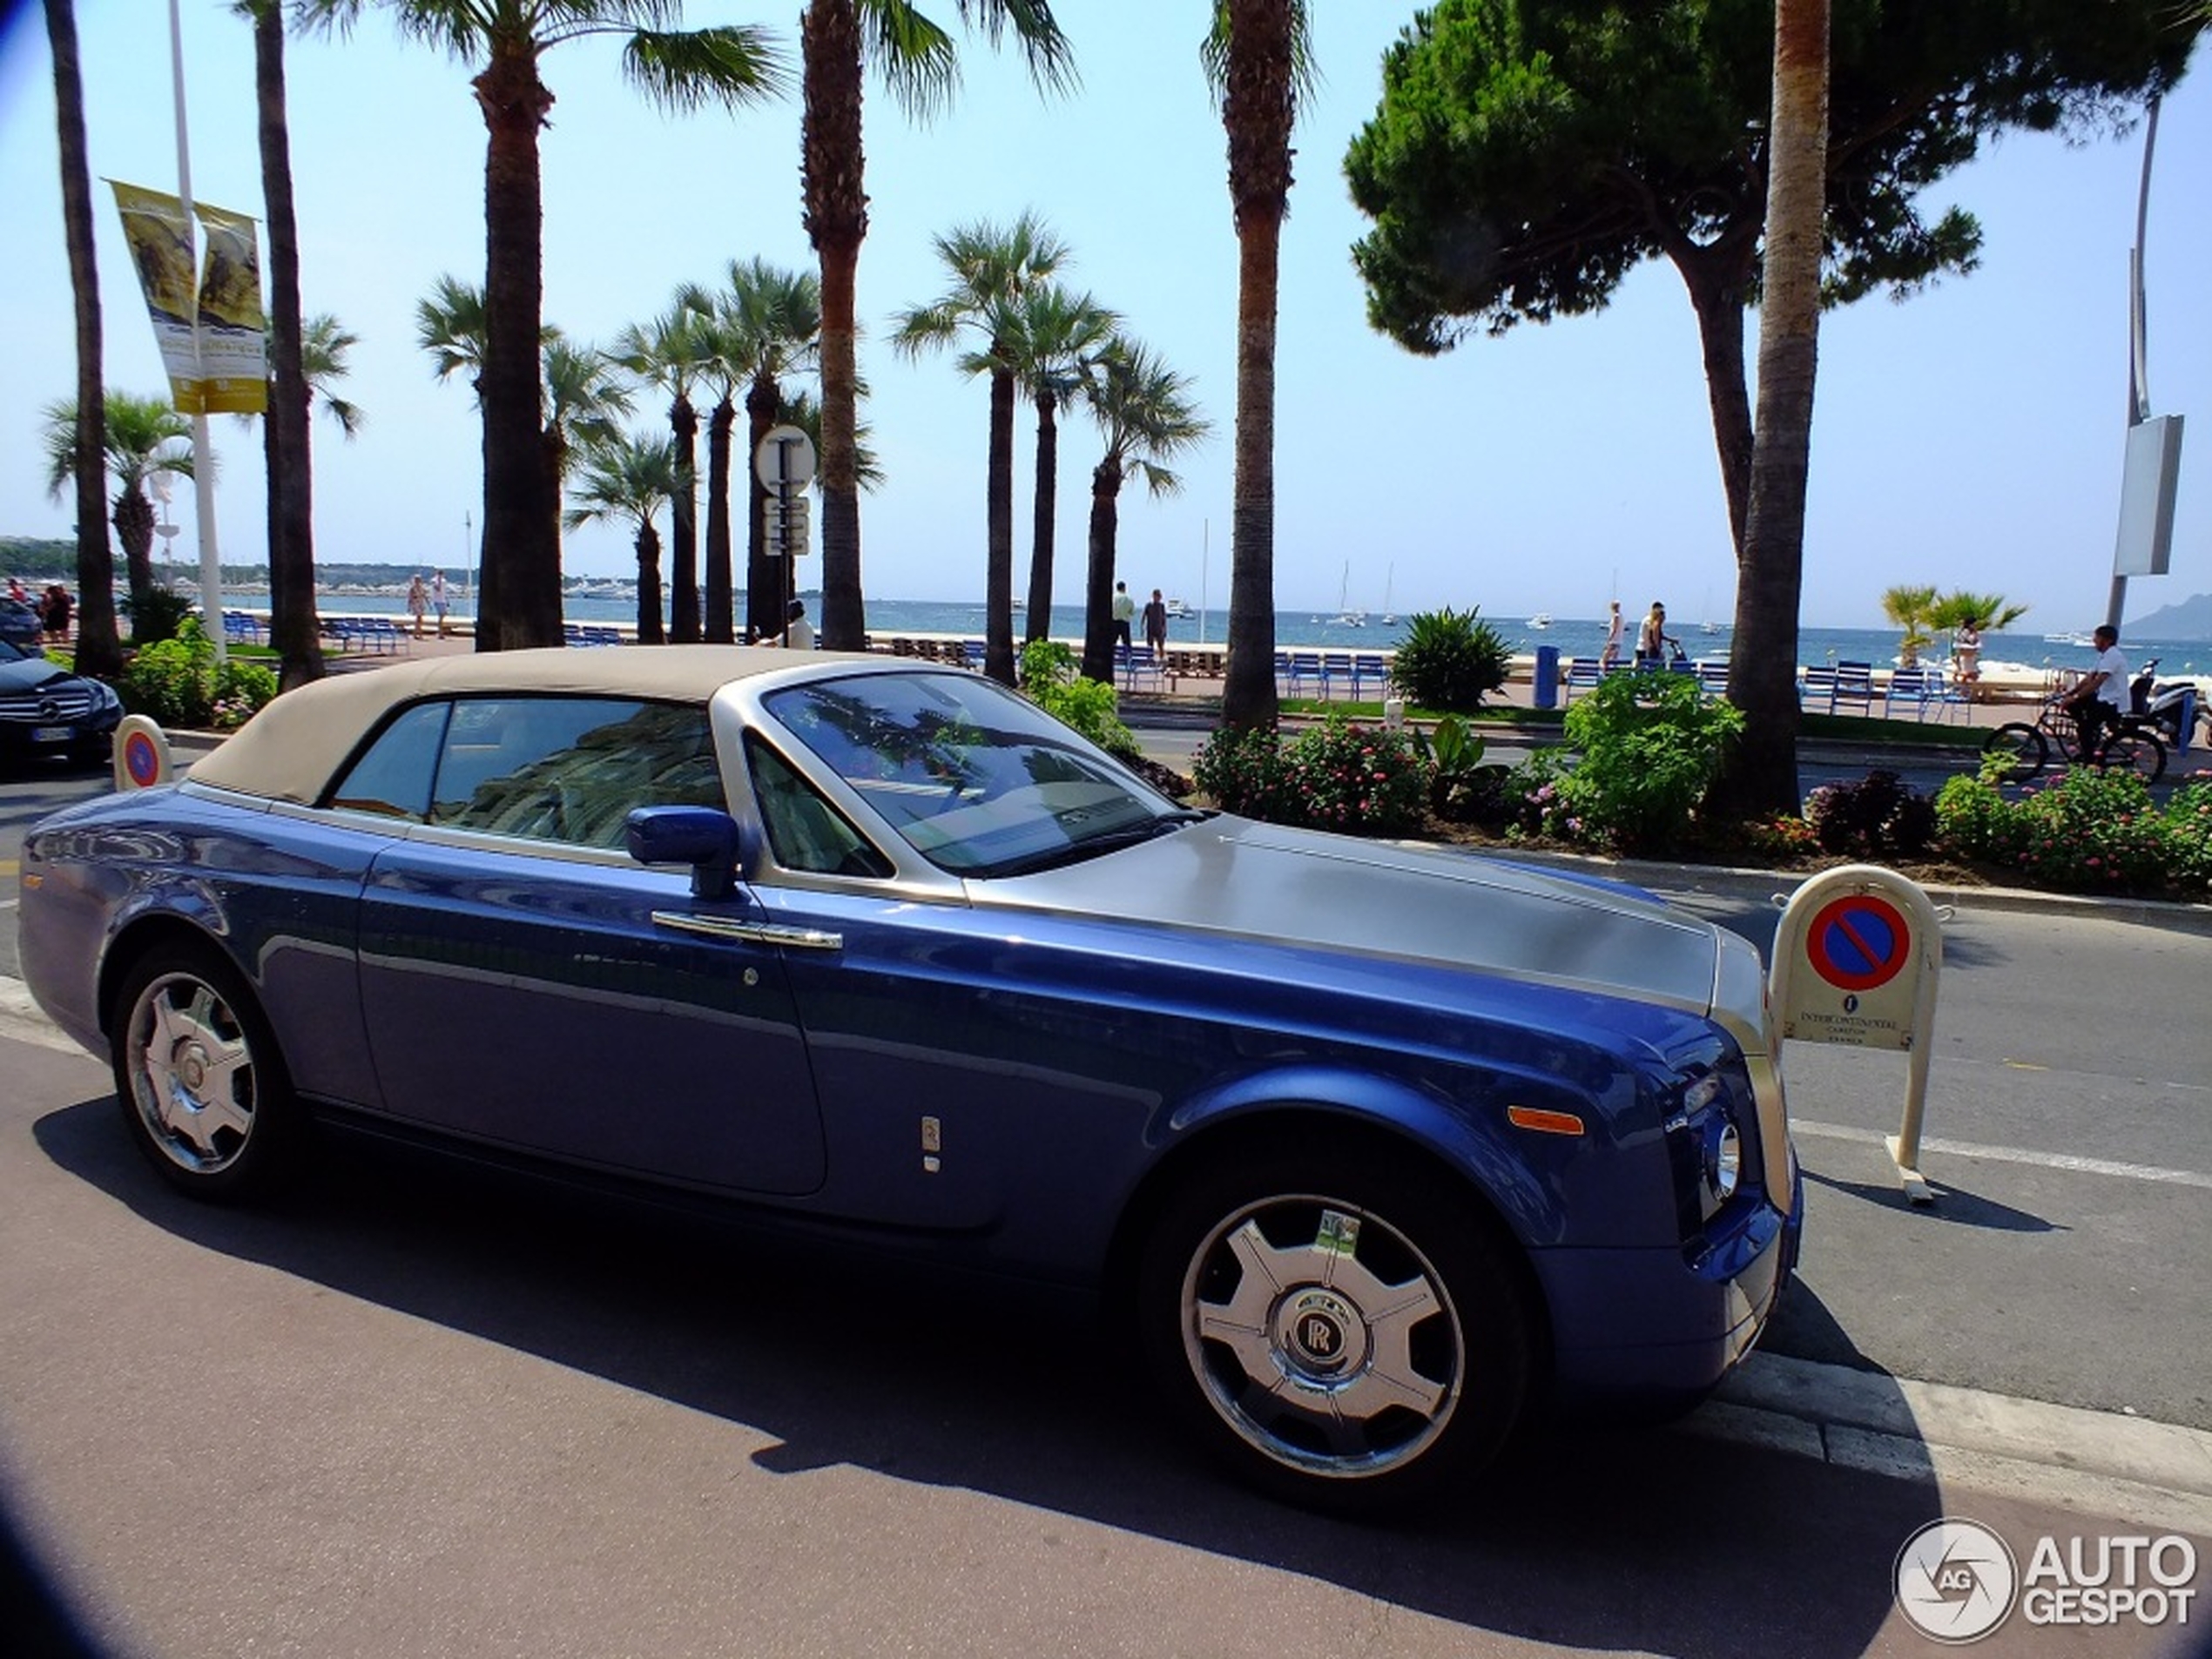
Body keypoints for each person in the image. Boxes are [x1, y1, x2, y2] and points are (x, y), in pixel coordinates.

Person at [2057, 624, 2128, 761]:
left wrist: (2075, 696)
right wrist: (2071, 693)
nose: (2094, 641)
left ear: (2107, 640)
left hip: (2112, 702)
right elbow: (2089, 678)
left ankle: (2089, 763)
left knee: (2084, 730)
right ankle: (2091, 736)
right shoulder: (2104, 656)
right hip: (2103, 698)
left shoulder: (2113, 656)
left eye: (2097, 638)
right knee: (2074, 706)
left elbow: (2098, 682)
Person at [1635, 601, 1677, 669]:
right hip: (1646, 648)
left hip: (1645, 647)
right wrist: (1659, 650)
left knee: (1643, 668)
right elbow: (1655, 637)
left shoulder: (1652, 621)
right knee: (1652, 668)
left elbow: (1659, 635)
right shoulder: (1651, 621)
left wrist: (1671, 639)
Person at [1953, 615, 1983, 697]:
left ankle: (1964, 689)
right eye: (1975, 623)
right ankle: (1963, 690)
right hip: (1966, 655)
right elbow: (1971, 641)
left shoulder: (1971, 632)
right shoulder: (1965, 632)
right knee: (1967, 673)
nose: (1976, 625)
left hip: (1970, 656)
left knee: (1973, 674)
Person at [1142, 588, 1169, 654]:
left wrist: (1165, 630)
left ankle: (1161, 660)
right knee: (1150, 647)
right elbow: (1143, 617)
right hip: (1150, 629)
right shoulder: (1149, 605)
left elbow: (1164, 619)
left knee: (1161, 647)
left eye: (1159, 596)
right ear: (1153, 596)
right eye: (1156, 596)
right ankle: (1149, 661)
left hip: (1159, 629)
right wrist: (1142, 627)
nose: (1157, 598)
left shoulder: (1161, 606)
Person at [1110, 581, 1136, 654]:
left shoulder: (1112, 598)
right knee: (1127, 643)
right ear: (1124, 588)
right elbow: (1132, 612)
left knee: (1112, 642)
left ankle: (1111, 658)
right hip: (1124, 622)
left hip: (1114, 622)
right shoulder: (1128, 598)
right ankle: (1128, 659)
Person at [1600, 599, 1624, 669]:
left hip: (1614, 641)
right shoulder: (1621, 616)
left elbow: (1614, 629)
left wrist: (1609, 640)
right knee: (1614, 660)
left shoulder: (1616, 616)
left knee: (1603, 660)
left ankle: (1603, 675)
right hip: (1619, 641)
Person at [405, 573, 428, 638]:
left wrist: (428, 603)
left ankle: (417, 633)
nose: (418, 581)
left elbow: (425, 596)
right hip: (416, 604)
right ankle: (418, 634)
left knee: (420, 619)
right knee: (418, 618)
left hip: (421, 603)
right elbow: (410, 598)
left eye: (419, 579)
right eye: (417, 579)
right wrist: (409, 607)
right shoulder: (412, 588)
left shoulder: (422, 587)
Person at [431, 570, 451, 637]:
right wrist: (439, 581)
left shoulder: (444, 581)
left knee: (444, 615)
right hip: (437, 600)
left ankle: (440, 631)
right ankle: (440, 633)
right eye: (439, 574)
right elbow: (438, 589)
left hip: (443, 600)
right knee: (441, 616)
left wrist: (447, 600)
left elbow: (444, 591)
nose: (440, 575)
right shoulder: (434, 580)